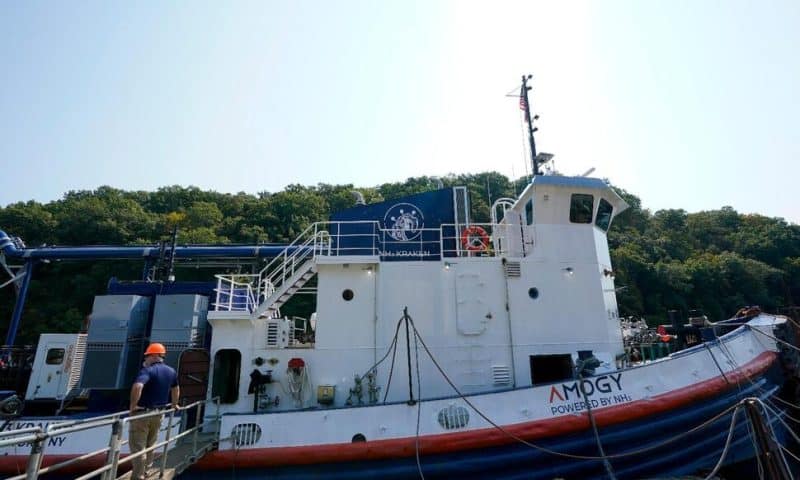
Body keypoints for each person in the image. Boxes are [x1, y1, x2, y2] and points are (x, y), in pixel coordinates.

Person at [129, 342, 180, 480]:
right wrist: (174, 404)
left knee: (138, 447)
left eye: (147, 356)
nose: (145, 360)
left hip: (143, 413)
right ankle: (146, 471)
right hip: (159, 413)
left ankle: (138, 476)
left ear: (154, 356)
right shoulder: (171, 371)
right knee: (151, 444)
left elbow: (138, 386)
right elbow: (176, 389)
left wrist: (133, 405)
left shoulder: (147, 371)